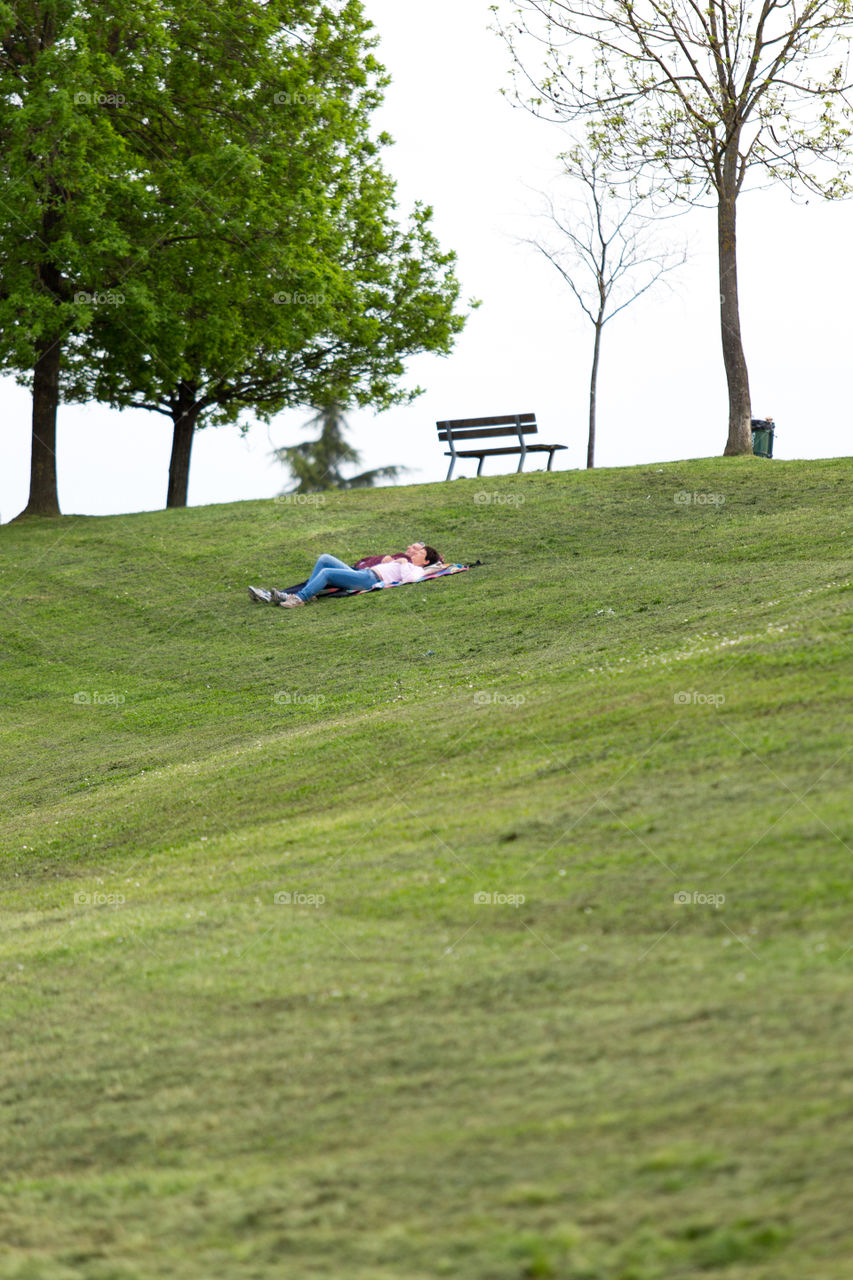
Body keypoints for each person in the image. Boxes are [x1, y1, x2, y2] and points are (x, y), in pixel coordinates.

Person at [249, 542, 443, 607]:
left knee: (326, 573)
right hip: (363, 573)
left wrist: (401, 563)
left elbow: (410, 580)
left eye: (420, 553)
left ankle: (300, 598)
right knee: (325, 558)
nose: (414, 553)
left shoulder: (415, 569)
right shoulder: (408, 562)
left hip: (370, 579)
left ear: (426, 561)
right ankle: (311, 592)